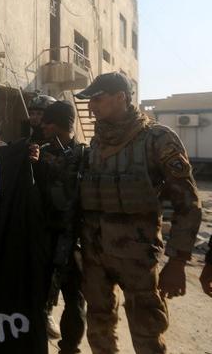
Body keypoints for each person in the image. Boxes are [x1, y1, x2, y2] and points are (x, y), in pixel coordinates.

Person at [75, 72, 202, 354]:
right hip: (95, 256)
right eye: (89, 101)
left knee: (147, 333)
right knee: (98, 327)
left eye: (98, 99)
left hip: (137, 258)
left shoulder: (157, 139)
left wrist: (178, 261)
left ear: (121, 97)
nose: (91, 107)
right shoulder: (95, 143)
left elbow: (188, 205)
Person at [35, 101, 86, 353]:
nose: (43, 126)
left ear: (62, 126)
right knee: (37, 296)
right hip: (43, 238)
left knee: (74, 298)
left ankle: (69, 348)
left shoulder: (85, 156)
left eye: (49, 122)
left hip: (72, 240)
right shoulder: (39, 153)